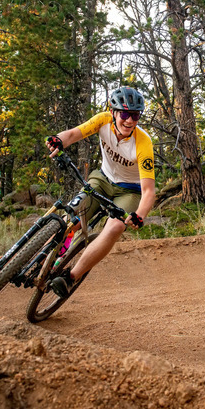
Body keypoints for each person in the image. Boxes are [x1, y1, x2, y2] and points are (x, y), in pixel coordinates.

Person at [45, 86, 155, 297]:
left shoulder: (143, 143)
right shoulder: (103, 120)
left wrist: (139, 215)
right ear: (113, 112)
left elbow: (149, 190)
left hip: (129, 192)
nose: (129, 120)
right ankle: (46, 256)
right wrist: (58, 139)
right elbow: (74, 134)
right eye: (124, 114)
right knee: (73, 214)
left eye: (135, 115)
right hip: (102, 179)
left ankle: (70, 278)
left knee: (114, 228)